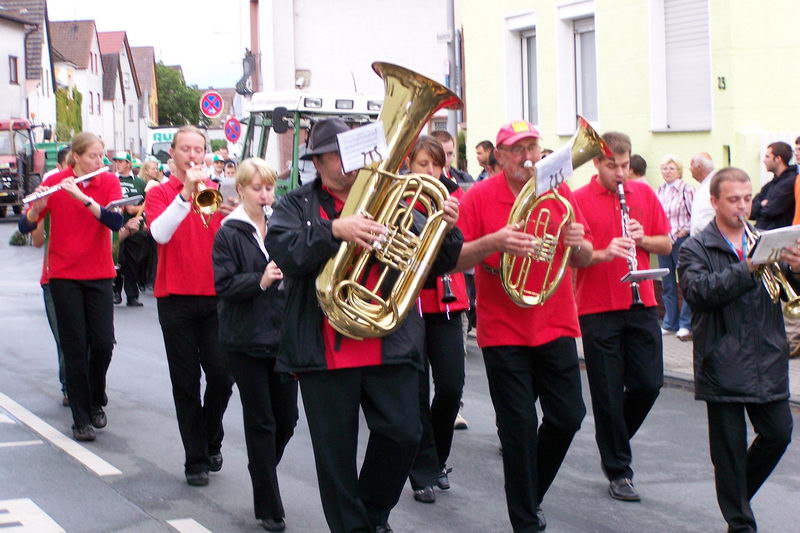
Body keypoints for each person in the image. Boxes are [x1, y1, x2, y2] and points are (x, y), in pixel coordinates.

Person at [265, 118, 462, 533]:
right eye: (337, 154)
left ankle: (371, 516)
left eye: (354, 151)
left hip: (387, 340)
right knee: (335, 459)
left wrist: (443, 227)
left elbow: (437, 264)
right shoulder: (296, 205)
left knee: (405, 434)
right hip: (325, 350)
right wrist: (335, 230)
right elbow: (285, 249)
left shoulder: (394, 197)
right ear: (317, 162)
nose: (349, 162)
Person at [454, 120, 593, 532]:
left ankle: (530, 495)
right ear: (499, 156)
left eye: (534, 148)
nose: (528, 157)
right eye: (518, 150)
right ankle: (525, 521)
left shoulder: (557, 191)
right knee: (517, 431)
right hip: (503, 330)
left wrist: (576, 242)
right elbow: (456, 259)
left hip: (554, 321)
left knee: (568, 416)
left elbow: (584, 257)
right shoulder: (477, 195)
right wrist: (494, 242)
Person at [678, 168, 796, 533]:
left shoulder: (762, 239)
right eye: (733, 200)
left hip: (767, 354)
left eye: (747, 198)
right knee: (728, 453)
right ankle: (740, 523)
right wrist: (747, 268)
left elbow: (787, 288)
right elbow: (699, 292)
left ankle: (735, 497)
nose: (743, 206)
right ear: (714, 202)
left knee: (779, 433)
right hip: (723, 357)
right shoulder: (696, 248)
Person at [572, 132, 672, 503]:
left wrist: (642, 239)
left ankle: (612, 440)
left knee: (649, 383)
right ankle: (619, 469)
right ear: (597, 163)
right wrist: (604, 250)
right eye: (612, 165)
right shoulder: (578, 199)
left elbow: (666, 243)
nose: (620, 172)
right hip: (598, 306)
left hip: (641, 300)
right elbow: (575, 256)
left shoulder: (643, 194)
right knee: (608, 392)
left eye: (625, 165)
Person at [18, 132, 123, 441]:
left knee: (103, 344)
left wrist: (83, 197)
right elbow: (26, 225)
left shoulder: (107, 182)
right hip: (64, 275)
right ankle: (81, 418)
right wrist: (37, 209)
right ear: (75, 157)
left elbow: (114, 223)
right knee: (75, 348)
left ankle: (95, 398)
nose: (99, 161)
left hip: (99, 272)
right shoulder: (56, 180)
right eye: (93, 155)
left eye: (102, 155)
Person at [145, 125, 235, 487]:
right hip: (175, 299)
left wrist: (239, 211)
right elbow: (160, 233)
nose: (194, 155)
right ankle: (195, 459)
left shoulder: (217, 194)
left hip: (215, 297)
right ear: (174, 155)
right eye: (186, 149)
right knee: (185, 383)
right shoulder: (160, 193)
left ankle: (211, 435)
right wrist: (184, 194)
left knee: (222, 377)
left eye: (199, 149)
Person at [213, 158, 297, 532]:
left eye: (269, 188)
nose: (265, 195)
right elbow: (224, 286)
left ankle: (260, 467)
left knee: (288, 420)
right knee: (261, 422)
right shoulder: (229, 232)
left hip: (281, 339)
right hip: (245, 339)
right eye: (258, 188)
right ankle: (269, 505)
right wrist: (260, 280)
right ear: (241, 190)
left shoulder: (280, 226)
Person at [405, 136, 468, 504]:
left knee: (450, 387)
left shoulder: (454, 199)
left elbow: (464, 251)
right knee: (415, 393)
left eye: (436, 165)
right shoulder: (399, 199)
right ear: (410, 166)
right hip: (411, 306)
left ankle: (438, 457)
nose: (431, 173)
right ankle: (422, 470)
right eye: (423, 165)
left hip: (447, 303)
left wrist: (450, 225)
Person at [35, 145, 71, 406]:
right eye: (70, 163)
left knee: (96, 340)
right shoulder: (51, 190)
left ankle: (87, 384)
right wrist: (37, 211)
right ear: (60, 167)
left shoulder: (93, 189)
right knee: (65, 338)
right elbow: (36, 240)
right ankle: (70, 386)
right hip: (54, 277)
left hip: (90, 277)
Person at [656, 154, 694, 340]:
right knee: (667, 283)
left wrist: (683, 232)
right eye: (664, 168)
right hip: (664, 241)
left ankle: (686, 324)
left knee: (684, 282)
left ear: (679, 171)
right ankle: (670, 322)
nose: (667, 172)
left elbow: (693, 216)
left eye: (671, 168)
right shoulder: (660, 190)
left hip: (680, 241)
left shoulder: (686, 190)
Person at [112, 151, 147, 307]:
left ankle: (132, 295)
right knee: (117, 259)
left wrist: (135, 210)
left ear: (128, 163)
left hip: (134, 227)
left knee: (133, 262)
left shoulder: (139, 183)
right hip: (117, 227)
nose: (118, 164)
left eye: (121, 161)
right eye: (116, 162)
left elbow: (148, 203)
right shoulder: (112, 180)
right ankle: (116, 292)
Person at [752, 141, 797, 230]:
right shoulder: (770, 185)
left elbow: (771, 210)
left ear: (778, 159)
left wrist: (761, 206)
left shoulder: (790, 182)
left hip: (778, 238)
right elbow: (750, 212)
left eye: (767, 157)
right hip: (761, 234)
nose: (764, 161)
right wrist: (762, 204)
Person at [689, 152, 716, 237]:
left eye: (691, 165)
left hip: (707, 241)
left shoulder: (714, 184)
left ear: (699, 167)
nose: (689, 169)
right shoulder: (704, 185)